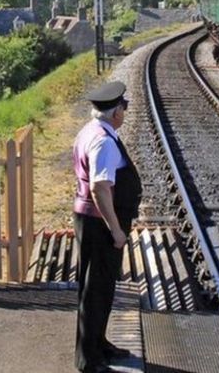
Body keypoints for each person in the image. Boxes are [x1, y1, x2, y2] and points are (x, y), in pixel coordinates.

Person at [72, 81, 142, 373]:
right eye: (124, 107)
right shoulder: (103, 141)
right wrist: (115, 230)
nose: (125, 111)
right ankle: (89, 360)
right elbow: (101, 188)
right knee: (96, 289)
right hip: (100, 223)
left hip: (91, 220)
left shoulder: (92, 130)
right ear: (116, 112)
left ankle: (98, 343)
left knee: (99, 287)